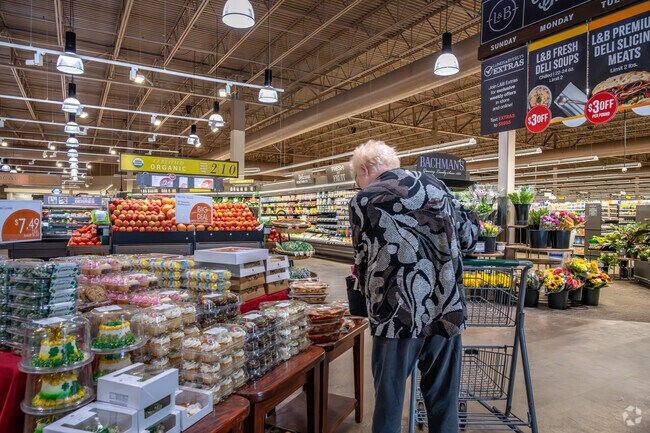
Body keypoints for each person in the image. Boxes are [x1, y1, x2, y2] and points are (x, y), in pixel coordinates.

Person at [348, 140, 479, 433]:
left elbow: (361, 259)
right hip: (445, 309)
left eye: (357, 179)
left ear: (366, 170)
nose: (359, 186)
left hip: (395, 315)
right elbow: (469, 236)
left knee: (389, 403)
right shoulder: (437, 187)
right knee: (443, 400)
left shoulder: (362, 201)